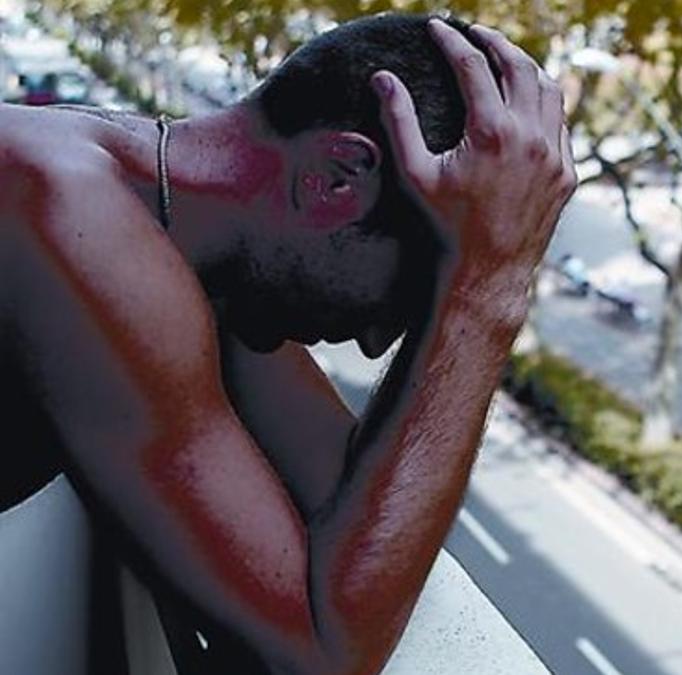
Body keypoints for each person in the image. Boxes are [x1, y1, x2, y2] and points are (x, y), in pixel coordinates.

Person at [0, 12, 575, 675]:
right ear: (337, 177)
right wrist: (485, 292)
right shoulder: (66, 211)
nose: (372, 341)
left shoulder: (181, 228)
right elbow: (322, 654)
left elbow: (345, 498)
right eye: (409, 291)